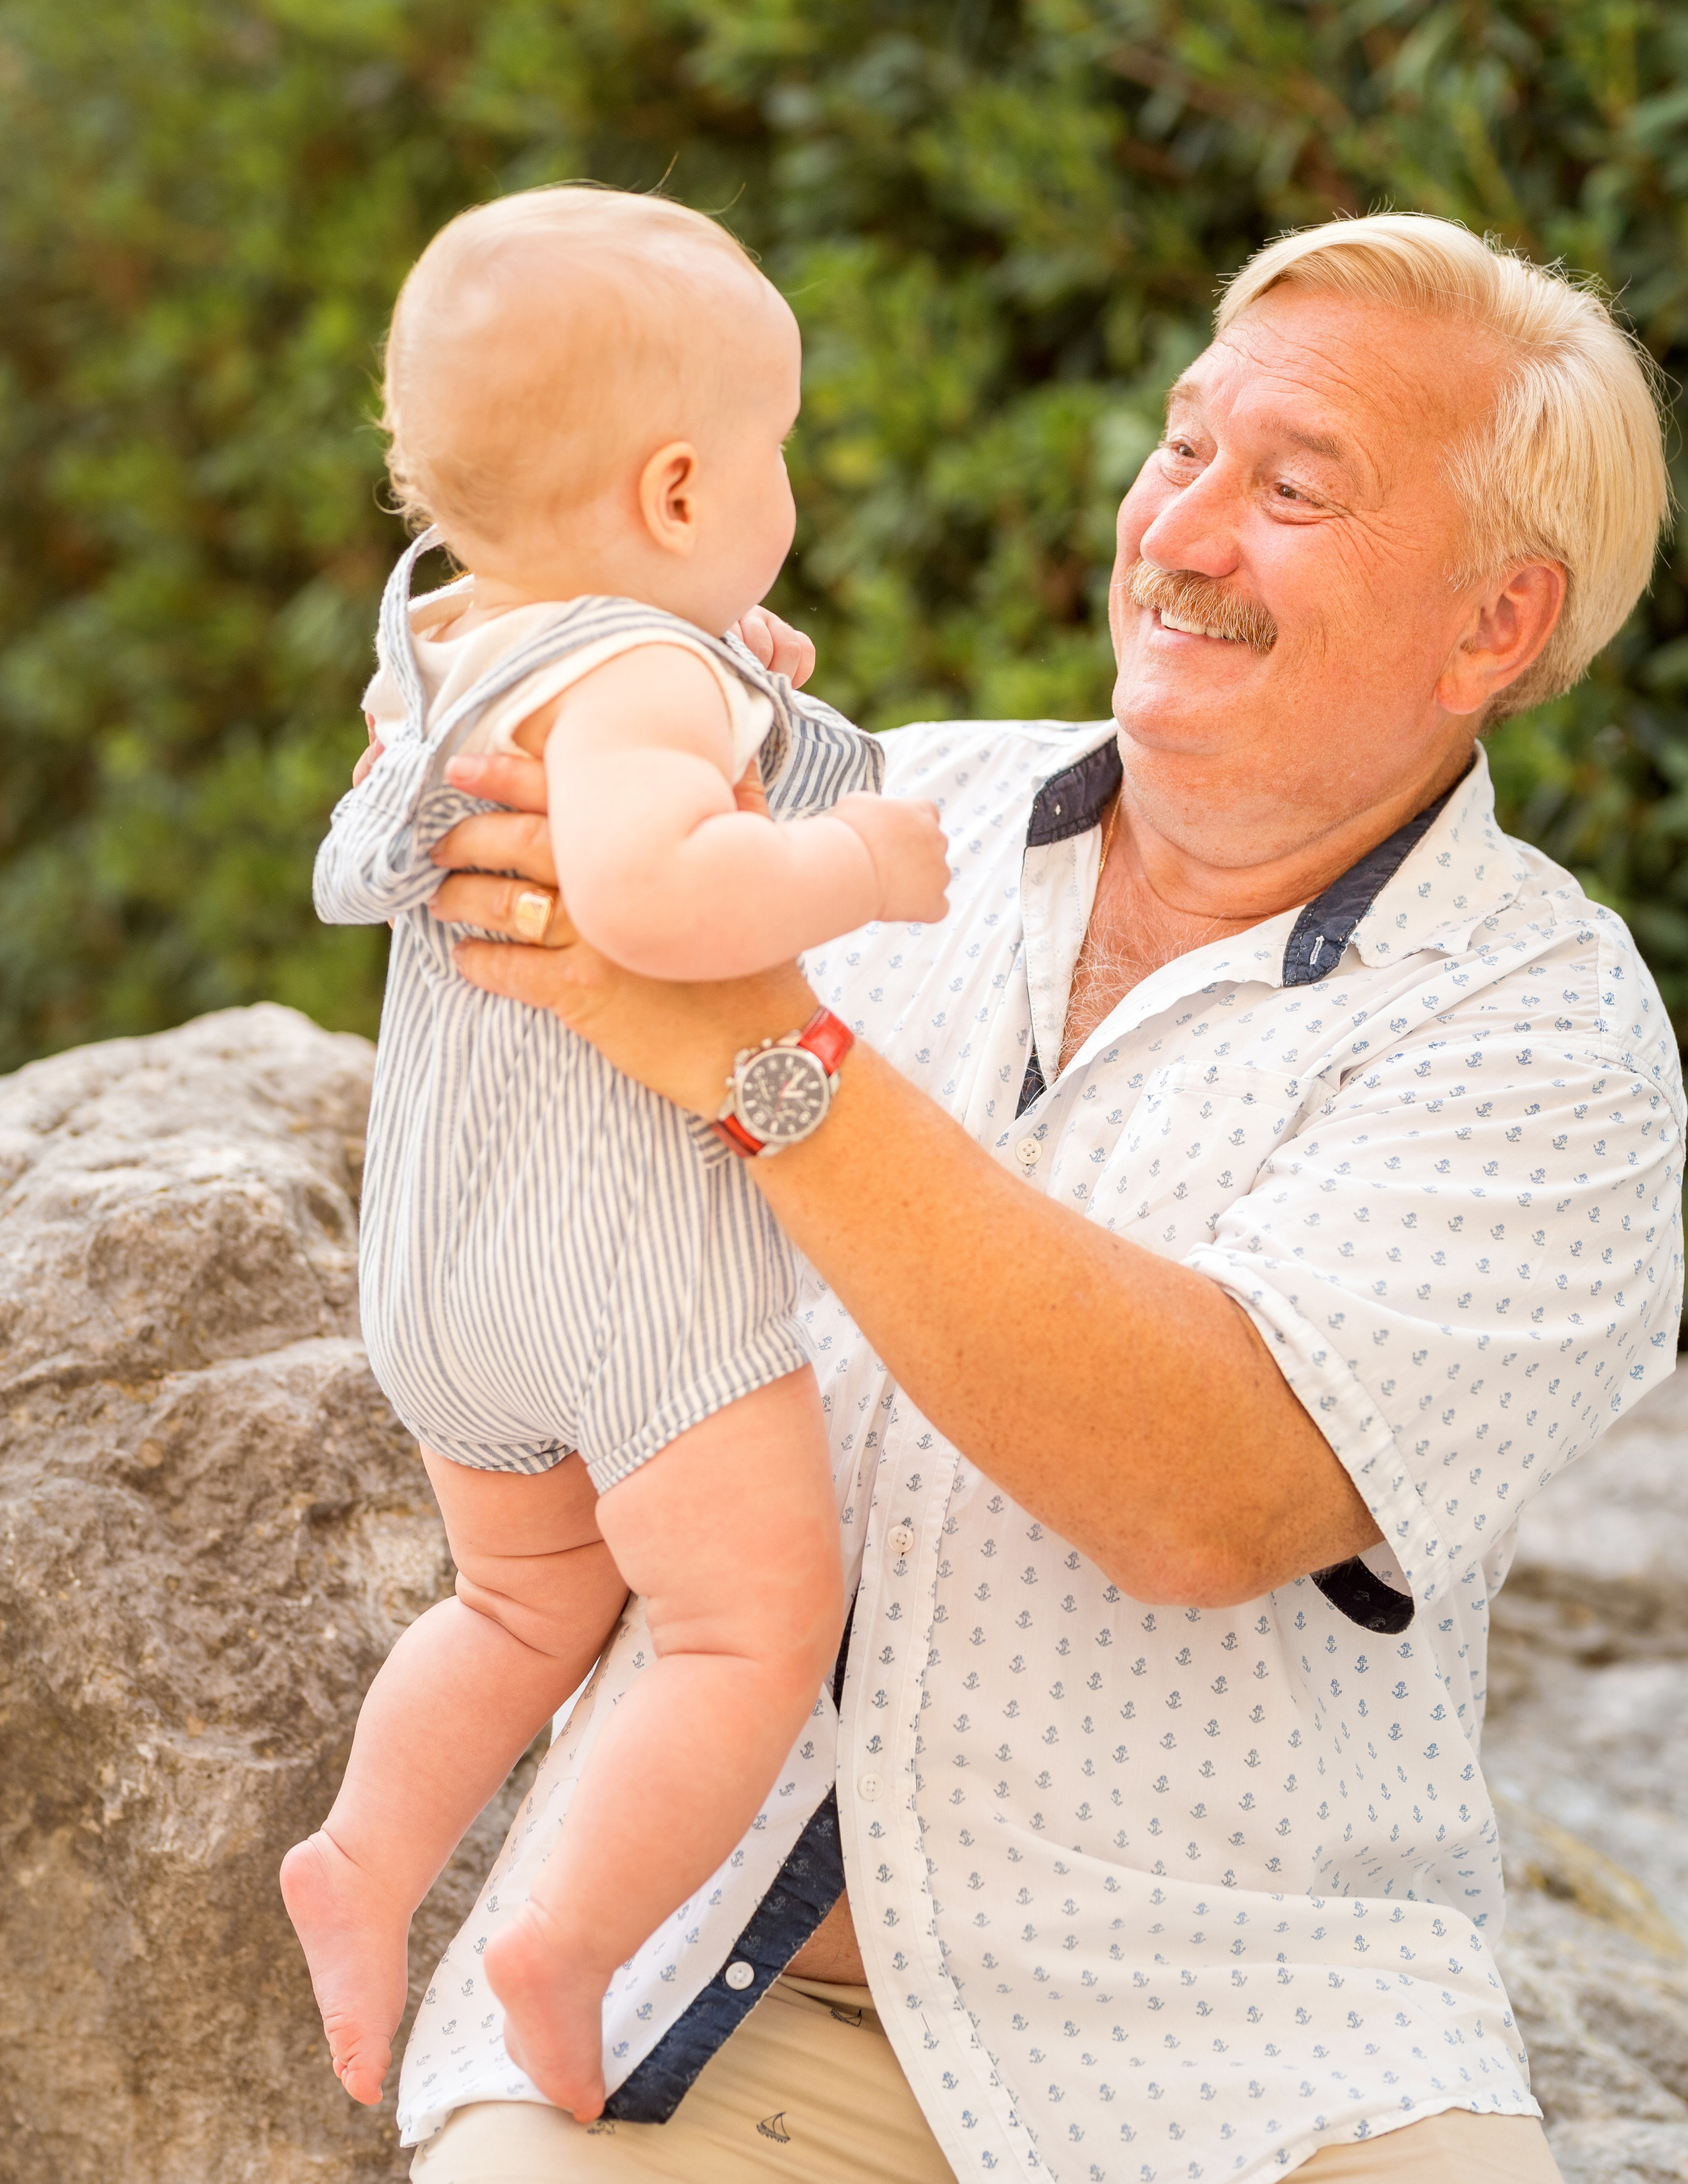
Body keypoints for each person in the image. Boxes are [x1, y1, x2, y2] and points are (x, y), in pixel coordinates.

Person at [396, 211, 1684, 2184]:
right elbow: (509, 992)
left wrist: (768, 1055)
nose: (1183, 531)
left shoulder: (1550, 1040)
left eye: (1295, 490)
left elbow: (1204, 1493)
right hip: (689, 2005)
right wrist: (554, 717)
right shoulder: (857, 807)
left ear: (1494, 627)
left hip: (1260, 2048)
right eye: (1184, 451)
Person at [279, 185, 950, 2119]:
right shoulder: (648, 679)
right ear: (677, 493)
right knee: (743, 1626)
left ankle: (367, 1860)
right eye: (775, 455)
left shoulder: (447, 645)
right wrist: (859, 862)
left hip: (435, 1266)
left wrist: (743, 672)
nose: (787, 488)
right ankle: (562, 1936)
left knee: (518, 1607)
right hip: (619, 1270)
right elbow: (656, 898)